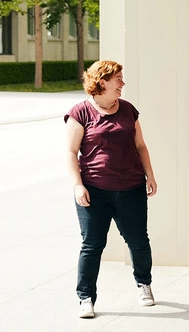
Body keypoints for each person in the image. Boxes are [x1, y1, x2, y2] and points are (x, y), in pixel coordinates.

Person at [65, 60, 157, 318]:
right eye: (118, 79)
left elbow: (141, 146)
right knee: (92, 245)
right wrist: (78, 185)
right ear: (102, 82)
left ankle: (144, 284)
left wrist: (150, 175)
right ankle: (85, 297)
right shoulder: (80, 112)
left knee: (138, 241)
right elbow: (71, 152)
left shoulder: (128, 110)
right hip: (94, 190)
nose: (122, 84)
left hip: (131, 187)